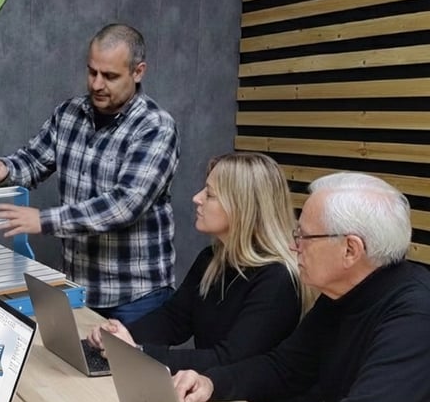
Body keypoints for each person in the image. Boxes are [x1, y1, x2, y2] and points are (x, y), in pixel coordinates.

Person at [173, 172, 430, 402]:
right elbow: (285, 367)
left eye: (304, 236)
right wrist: (211, 382)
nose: (294, 246)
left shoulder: (416, 316)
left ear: (350, 249)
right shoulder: (343, 293)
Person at [0, 23, 180, 324]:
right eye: (92, 72)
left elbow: (125, 205)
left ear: (138, 72)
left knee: (131, 359)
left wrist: (43, 220)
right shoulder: (68, 114)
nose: (97, 84)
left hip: (136, 296)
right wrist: (4, 168)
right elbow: (33, 161)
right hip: (79, 288)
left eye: (110, 76)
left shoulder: (155, 126)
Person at [87, 152, 304, 381]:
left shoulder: (277, 280)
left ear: (242, 207)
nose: (197, 198)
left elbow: (231, 359)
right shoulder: (211, 258)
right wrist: (118, 336)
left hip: (247, 401)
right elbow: (174, 319)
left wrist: (139, 353)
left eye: (209, 194)